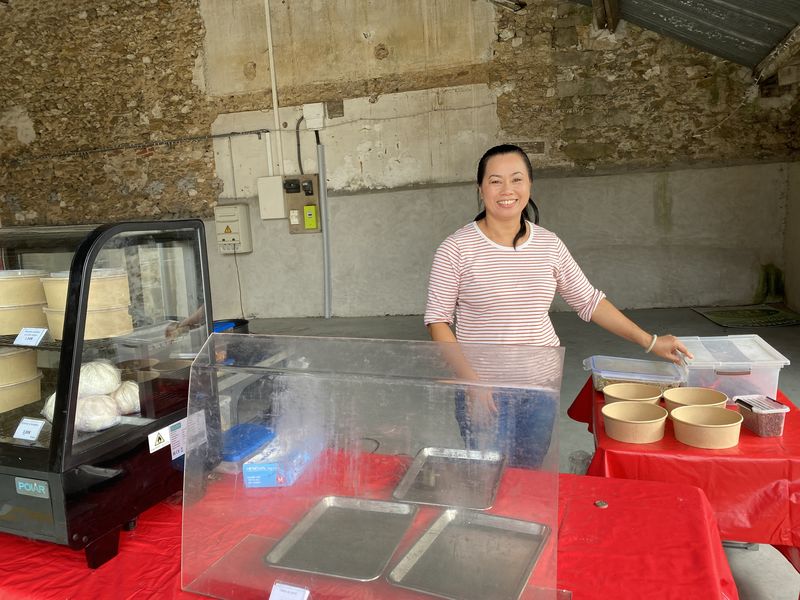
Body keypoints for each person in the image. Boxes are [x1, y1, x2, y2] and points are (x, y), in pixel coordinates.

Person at [424, 143, 692, 467]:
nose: (507, 190)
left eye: (516, 179)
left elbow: (590, 301)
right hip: (485, 390)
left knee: (531, 473)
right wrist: (472, 382)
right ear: (480, 189)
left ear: (530, 185)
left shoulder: (549, 245)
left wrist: (650, 341)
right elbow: (437, 320)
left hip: (540, 389)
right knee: (487, 477)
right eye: (495, 181)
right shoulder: (456, 249)